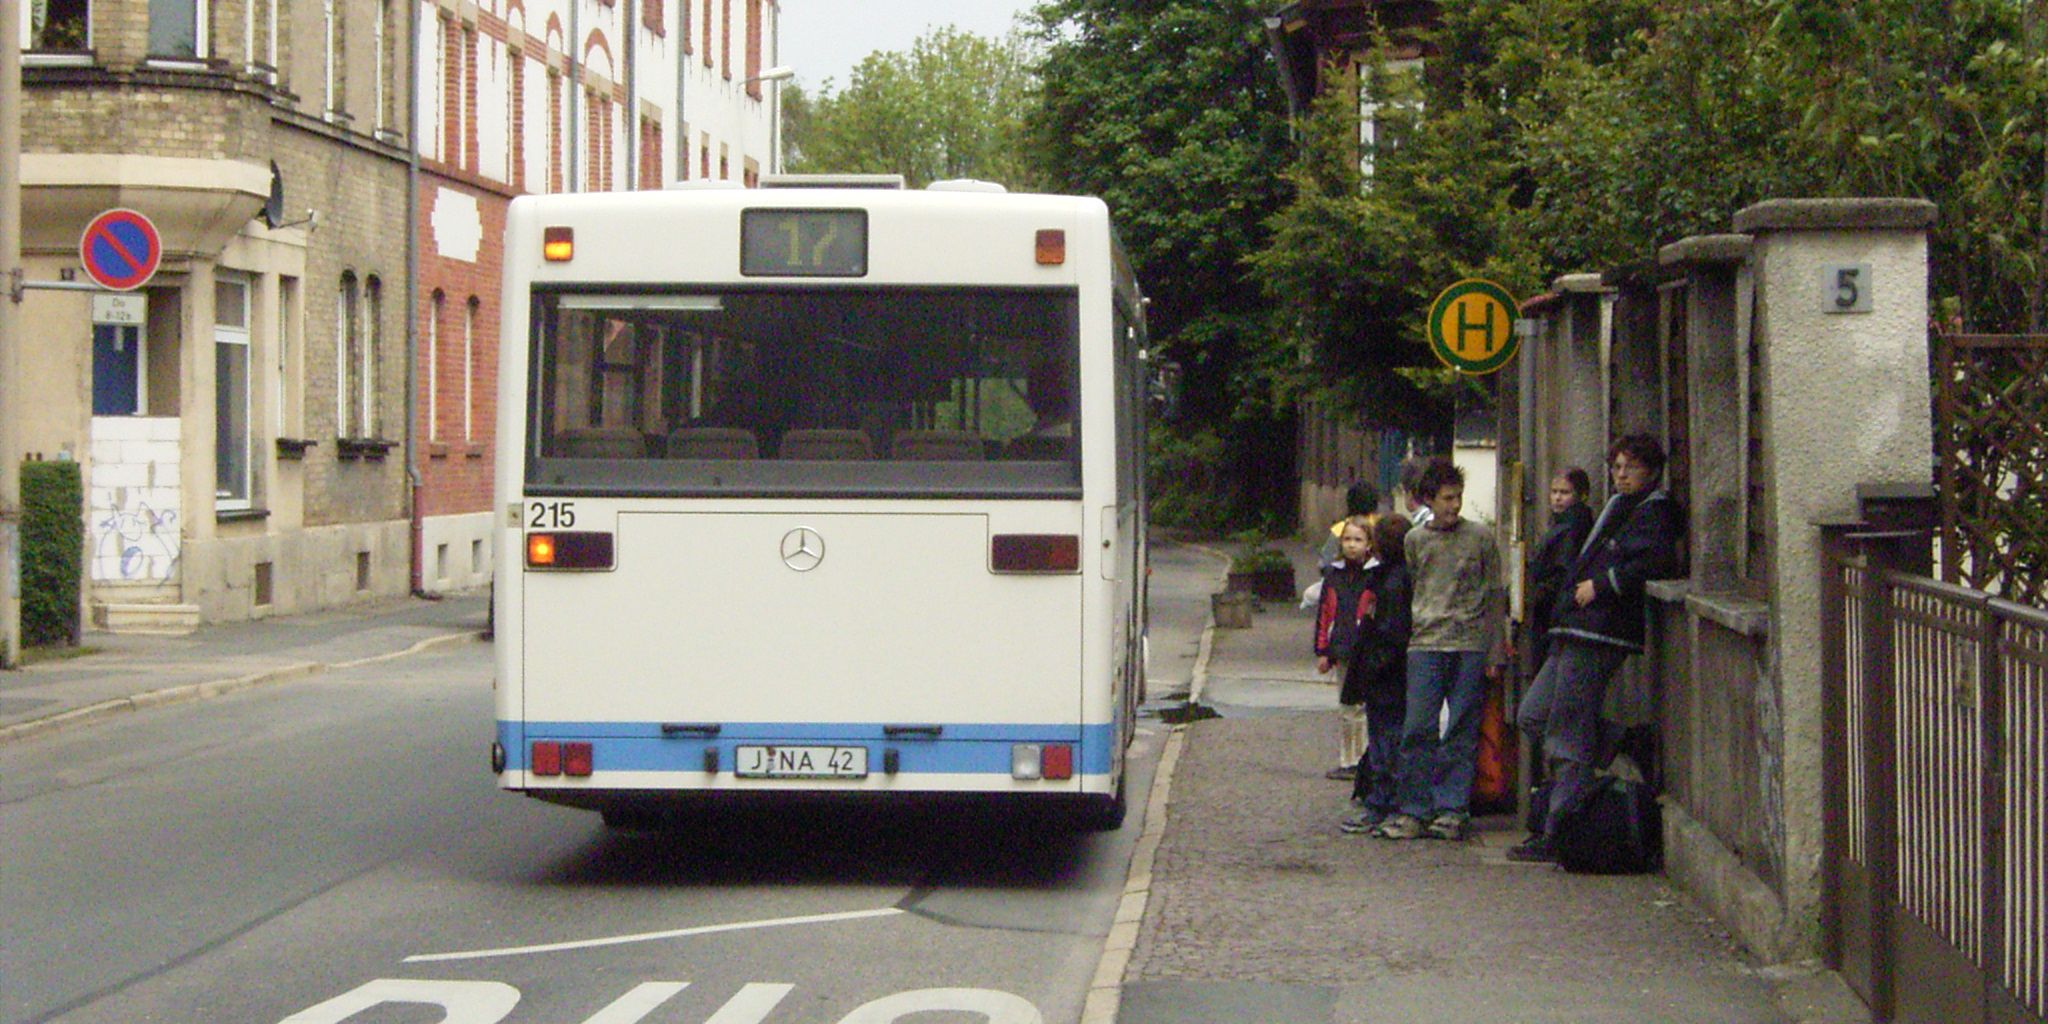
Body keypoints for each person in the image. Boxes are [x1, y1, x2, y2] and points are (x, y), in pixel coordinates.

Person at [1509, 435, 1683, 863]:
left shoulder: (1656, 510)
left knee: (1567, 735)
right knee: (1533, 715)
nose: (1621, 474)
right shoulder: (1618, 506)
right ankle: (1623, 739)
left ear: (1652, 471)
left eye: (1631, 467)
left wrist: (1603, 585)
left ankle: (1559, 830)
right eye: (1616, 466)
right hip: (1572, 626)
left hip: (1602, 630)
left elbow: (1656, 561)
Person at [1375, 457, 1503, 841]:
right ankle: (1414, 807)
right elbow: (1415, 583)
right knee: (1418, 728)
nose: (1454, 506)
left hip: (1469, 643)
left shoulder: (1480, 538)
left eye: (1458, 497)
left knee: (1463, 728)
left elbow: (1495, 592)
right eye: (1447, 498)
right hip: (1426, 644)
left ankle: (1451, 807)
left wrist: (1495, 649)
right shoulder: (1416, 541)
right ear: (1429, 500)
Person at [1339, 513, 1413, 833]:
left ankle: (1383, 803)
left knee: (1386, 741)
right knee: (1386, 739)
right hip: (1391, 673)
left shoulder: (1392, 583)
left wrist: (1371, 667)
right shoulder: (1395, 577)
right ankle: (1384, 800)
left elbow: (1389, 633)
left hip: (1386, 675)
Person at [1313, 515, 1376, 780]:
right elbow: (1325, 614)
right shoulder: (1334, 575)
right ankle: (1347, 759)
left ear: (1369, 544)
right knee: (1346, 707)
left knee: (1362, 709)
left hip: (1367, 651)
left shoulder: (1374, 575)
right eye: (1348, 539)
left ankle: (1362, 761)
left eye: (1358, 540)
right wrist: (1322, 651)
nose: (1352, 545)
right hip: (1341, 648)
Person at [1527, 467, 1593, 670]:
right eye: (1554, 492)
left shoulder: (1572, 528)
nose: (1557, 498)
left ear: (1580, 496)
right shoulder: (1562, 524)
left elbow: (1562, 572)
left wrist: (1536, 595)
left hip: (1555, 613)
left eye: (1565, 493)